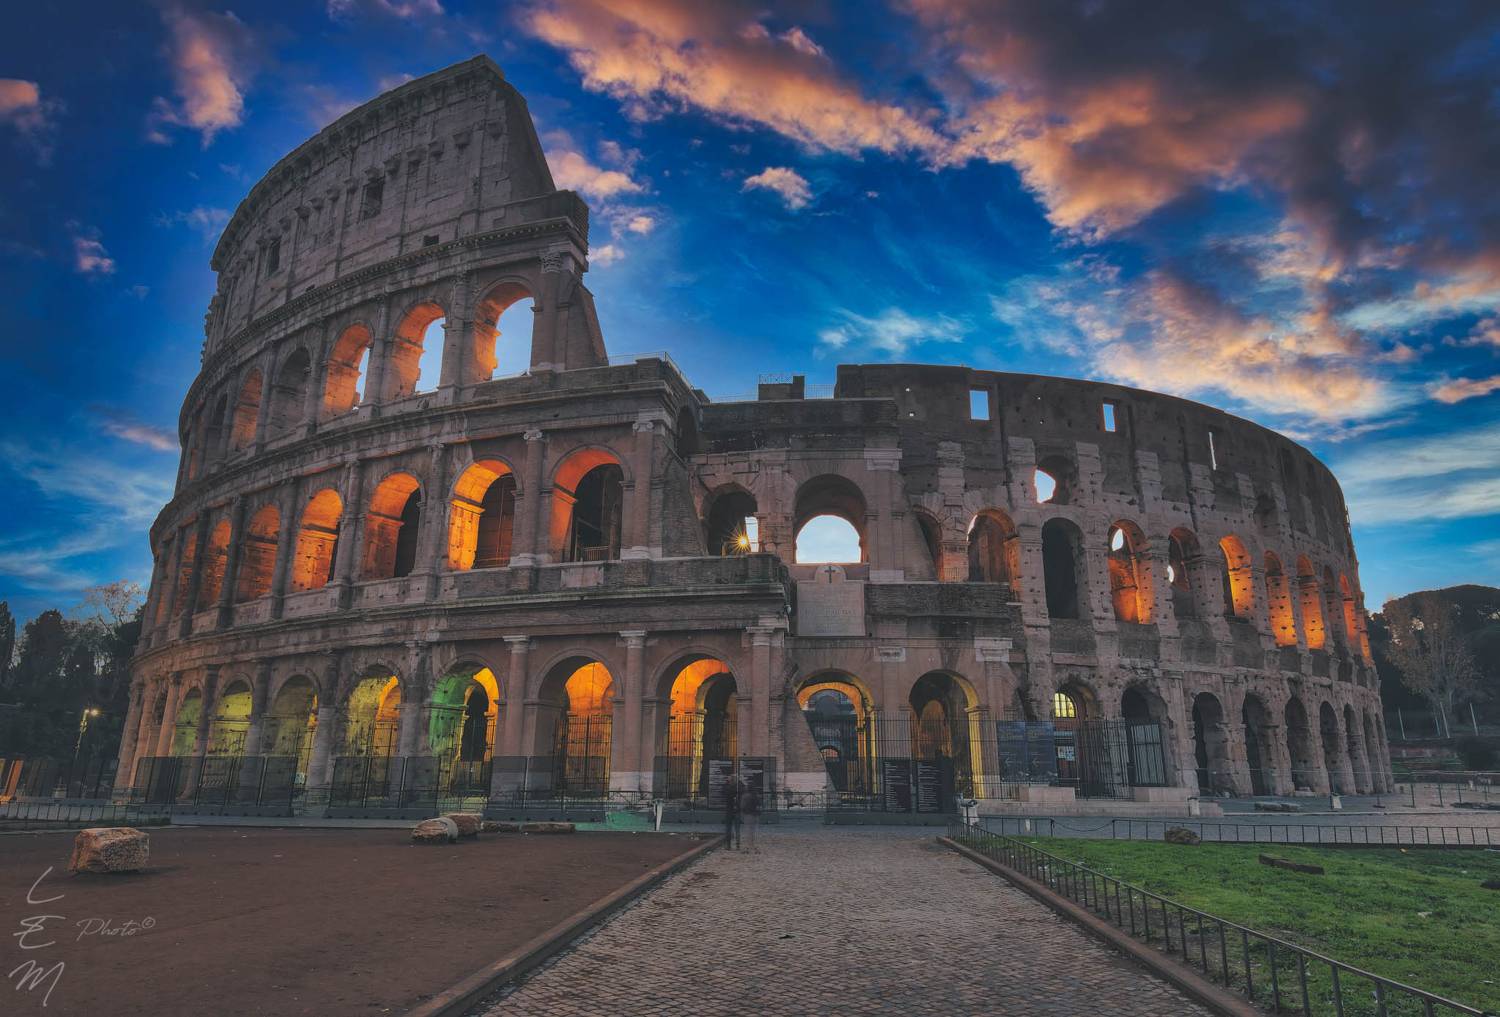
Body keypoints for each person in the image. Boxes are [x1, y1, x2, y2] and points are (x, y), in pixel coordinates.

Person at [738, 779, 762, 853]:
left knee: (747, 831)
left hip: (747, 815)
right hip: (756, 815)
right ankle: (756, 847)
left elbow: (742, 806)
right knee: (755, 831)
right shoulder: (757, 795)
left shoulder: (745, 796)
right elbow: (760, 805)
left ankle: (747, 847)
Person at [723, 777, 741, 850]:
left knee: (728, 828)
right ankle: (738, 845)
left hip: (729, 811)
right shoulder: (738, 789)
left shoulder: (728, 789)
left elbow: (723, 791)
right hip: (737, 811)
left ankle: (728, 845)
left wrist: (726, 783)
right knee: (737, 829)